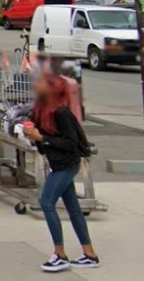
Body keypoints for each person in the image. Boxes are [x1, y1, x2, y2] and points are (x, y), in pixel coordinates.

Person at [24, 74, 99, 272]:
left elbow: (71, 144)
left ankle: (60, 254)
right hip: (57, 164)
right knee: (73, 208)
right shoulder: (41, 111)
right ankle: (89, 254)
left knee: (47, 202)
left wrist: (42, 137)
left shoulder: (61, 112)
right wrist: (33, 136)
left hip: (67, 164)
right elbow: (43, 141)